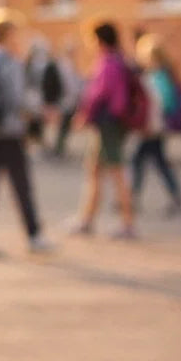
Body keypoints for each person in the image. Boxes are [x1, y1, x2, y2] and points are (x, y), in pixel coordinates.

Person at [0, 10, 53, 256]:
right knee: (21, 184)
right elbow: (16, 97)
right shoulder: (10, 61)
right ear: (6, 34)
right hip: (9, 130)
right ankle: (34, 234)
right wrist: (39, 112)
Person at [71, 21, 137, 239]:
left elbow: (98, 95)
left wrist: (84, 116)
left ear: (99, 39)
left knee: (116, 173)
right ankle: (87, 219)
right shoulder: (119, 60)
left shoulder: (108, 62)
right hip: (110, 123)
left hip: (108, 123)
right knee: (94, 171)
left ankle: (127, 223)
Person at [130, 34, 181, 217]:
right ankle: (175, 195)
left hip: (153, 127)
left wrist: (148, 125)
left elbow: (160, 104)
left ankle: (132, 197)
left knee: (139, 160)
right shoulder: (163, 74)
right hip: (157, 127)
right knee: (157, 161)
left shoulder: (157, 77)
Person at [51, 39, 83, 159]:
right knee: (63, 126)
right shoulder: (64, 65)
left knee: (65, 126)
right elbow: (68, 85)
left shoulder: (71, 64)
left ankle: (60, 147)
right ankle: (59, 149)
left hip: (70, 100)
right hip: (65, 100)